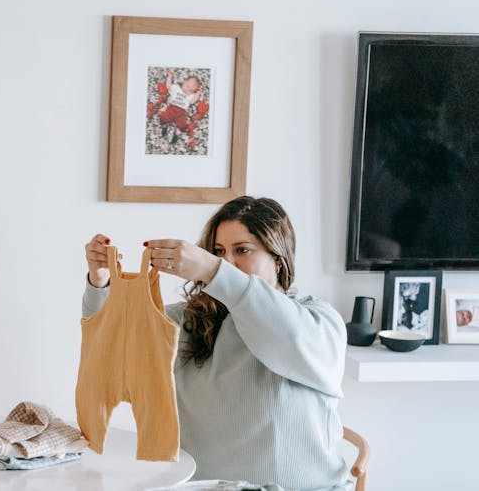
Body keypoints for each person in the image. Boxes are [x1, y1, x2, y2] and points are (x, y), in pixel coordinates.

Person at [82, 196, 351, 490]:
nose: (227, 262)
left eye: (243, 250)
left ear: (278, 258)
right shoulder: (187, 321)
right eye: (218, 252)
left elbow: (284, 334)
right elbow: (109, 345)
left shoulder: (318, 321)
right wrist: (102, 282)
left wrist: (214, 271)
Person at [153, 71, 203, 143]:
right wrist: (170, 76)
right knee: (163, 117)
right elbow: (168, 86)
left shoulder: (190, 96)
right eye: (187, 86)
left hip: (181, 113)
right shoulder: (176, 88)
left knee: (183, 125)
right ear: (184, 81)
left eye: (191, 90)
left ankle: (176, 133)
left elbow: (192, 101)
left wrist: (197, 94)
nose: (187, 90)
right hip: (172, 109)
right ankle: (165, 127)